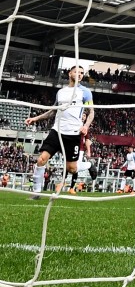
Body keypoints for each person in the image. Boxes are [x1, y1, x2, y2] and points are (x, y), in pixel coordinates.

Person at [24, 66, 94, 199]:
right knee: (41, 159)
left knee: (71, 169)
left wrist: (86, 126)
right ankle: (36, 192)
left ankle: (89, 165)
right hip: (57, 131)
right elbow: (53, 111)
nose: (79, 75)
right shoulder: (61, 92)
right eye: (76, 72)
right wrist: (35, 118)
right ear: (70, 73)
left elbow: (91, 112)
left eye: (81, 73)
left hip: (73, 133)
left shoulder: (86, 93)